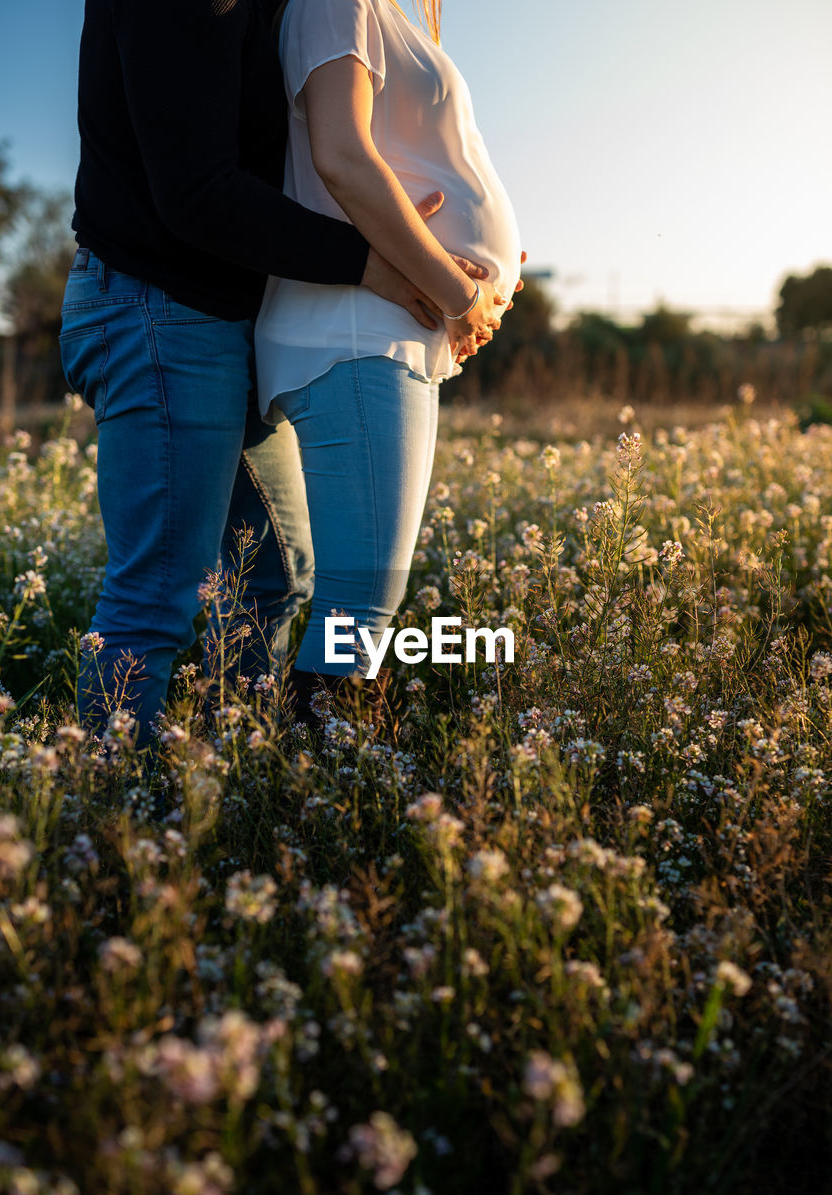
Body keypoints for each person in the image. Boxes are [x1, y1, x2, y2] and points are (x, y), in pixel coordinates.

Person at [59, 0, 497, 743]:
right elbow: (197, 194)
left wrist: (443, 237)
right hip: (157, 308)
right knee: (158, 591)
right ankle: (106, 820)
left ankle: (230, 774)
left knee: (271, 575)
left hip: (215, 322)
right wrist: (379, 267)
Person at [254, 0, 522, 716]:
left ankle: (298, 775)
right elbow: (340, 156)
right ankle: (320, 785)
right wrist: (458, 296)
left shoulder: (386, 11)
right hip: (355, 328)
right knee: (363, 594)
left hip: (376, 328)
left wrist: (482, 270)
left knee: (355, 592)